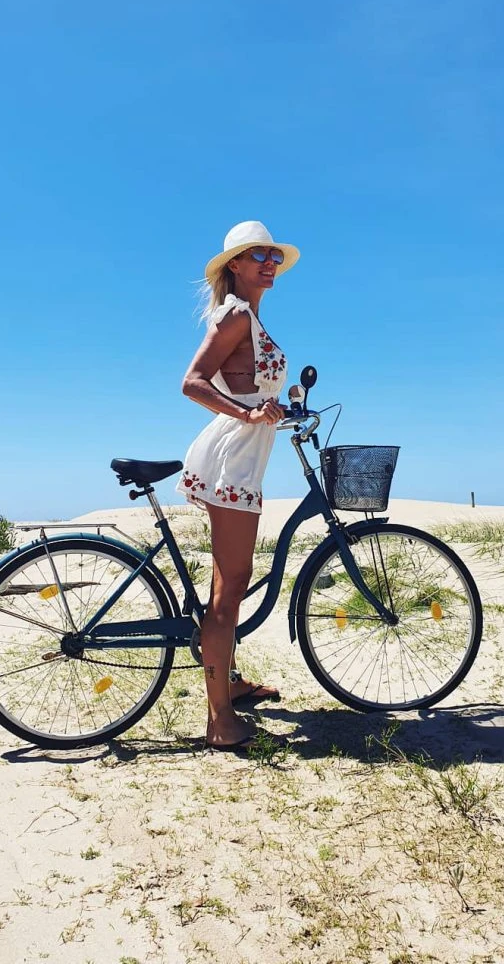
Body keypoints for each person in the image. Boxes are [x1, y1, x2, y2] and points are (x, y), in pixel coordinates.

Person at [177, 220, 299, 751]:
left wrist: (272, 410)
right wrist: (248, 416)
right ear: (235, 265)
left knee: (226, 587)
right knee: (229, 591)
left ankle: (226, 683)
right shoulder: (235, 315)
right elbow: (193, 382)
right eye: (257, 256)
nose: (269, 263)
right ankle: (220, 721)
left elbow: (247, 387)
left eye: (274, 256)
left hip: (244, 460)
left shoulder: (249, 315)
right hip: (233, 465)